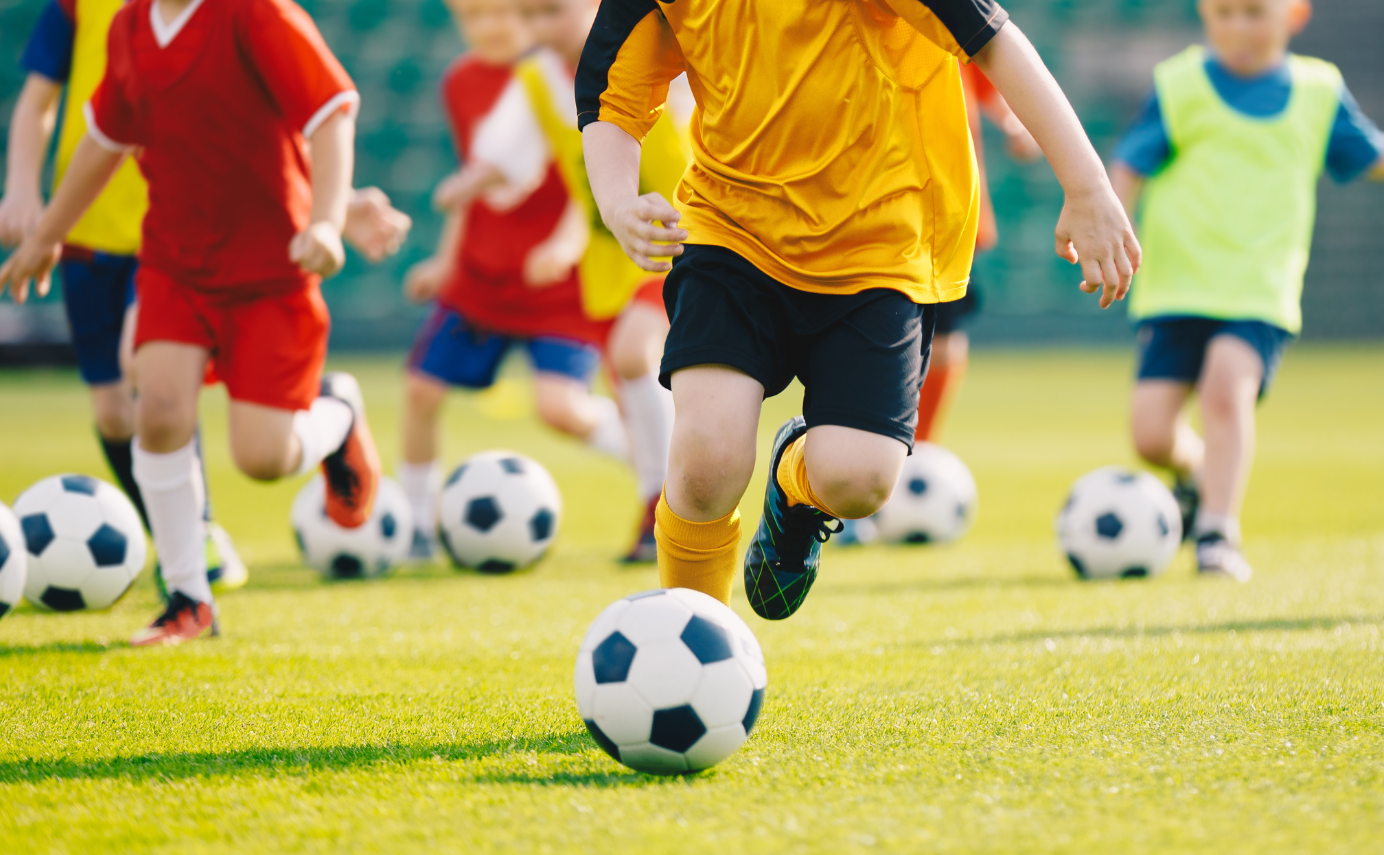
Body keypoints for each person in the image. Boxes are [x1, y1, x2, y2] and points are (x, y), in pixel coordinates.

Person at [578, 0, 1141, 620]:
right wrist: (615, 199)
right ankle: (683, 638)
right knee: (707, 457)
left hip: (880, 245)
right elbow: (612, 90)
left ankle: (796, 489)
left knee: (858, 481)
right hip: (730, 232)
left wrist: (1088, 187)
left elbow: (994, 42)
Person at [0, 0, 387, 647]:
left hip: (269, 271)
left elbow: (330, 113)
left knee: (263, 457)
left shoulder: (257, 14)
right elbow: (105, 138)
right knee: (158, 411)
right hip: (175, 264)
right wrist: (46, 234)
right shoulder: (129, 26)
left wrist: (325, 219)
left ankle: (339, 413)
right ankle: (188, 599)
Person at [1110, 0, 1384, 582]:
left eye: (1254, 13)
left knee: (1225, 392)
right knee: (1152, 436)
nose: (1237, 27)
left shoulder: (1318, 91)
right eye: (1223, 13)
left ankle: (1217, 533)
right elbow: (1129, 166)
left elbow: (1380, 153)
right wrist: (1111, 226)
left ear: (1294, 14)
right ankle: (1199, 476)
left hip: (1258, 291)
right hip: (1176, 288)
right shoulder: (1177, 85)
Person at [0, 0, 250, 592]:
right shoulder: (74, 7)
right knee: (112, 411)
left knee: (145, 366)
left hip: (166, 230)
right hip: (86, 232)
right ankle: (168, 536)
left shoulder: (200, 13)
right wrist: (21, 189)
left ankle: (201, 531)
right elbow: (39, 99)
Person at [437, 0, 691, 564]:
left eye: (550, 12)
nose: (536, 29)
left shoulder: (657, 52)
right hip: (612, 262)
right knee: (632, 391)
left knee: (633, 354)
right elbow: (508, 156)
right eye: (526, 18)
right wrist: (473, 181)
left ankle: (677, 504)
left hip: (687, 240)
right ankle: (661, 507)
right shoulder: (534, 80)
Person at [397, 0, 635, 563]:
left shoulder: (569, 72)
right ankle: (414, 524)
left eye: (501, 13)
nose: (490, 28)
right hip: (483, 276)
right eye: (472, 18)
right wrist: (445, 261)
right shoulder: (463, 82)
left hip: (556, 285)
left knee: (559, 409)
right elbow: (473, 178)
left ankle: (660, 468)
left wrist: (566, 242)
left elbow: (594, 170)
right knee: (420, 390)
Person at [916, 64, 1041, 447]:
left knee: (944, 341)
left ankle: (920, 447)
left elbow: (988, 70)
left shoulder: (950, 19)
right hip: (877, 204)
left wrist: (1011, 122)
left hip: (952, 208)